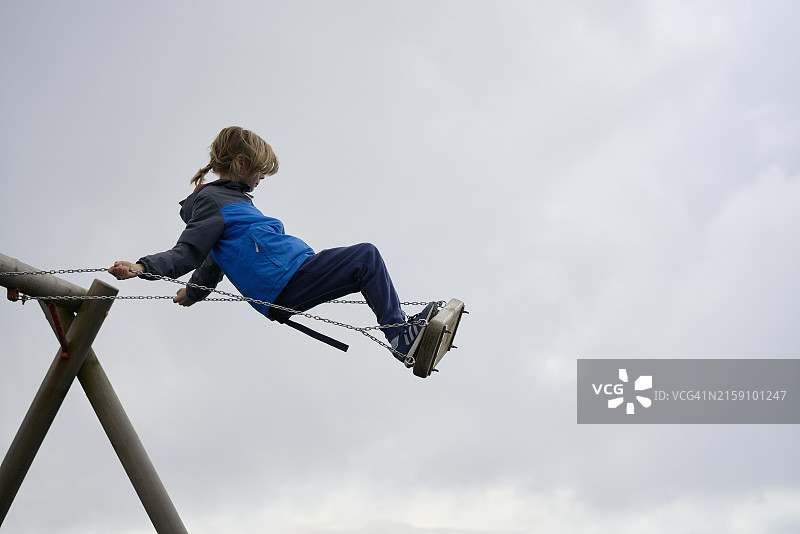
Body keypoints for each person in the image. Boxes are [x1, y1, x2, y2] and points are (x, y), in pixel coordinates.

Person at [109, 126, 436, 367]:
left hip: (289, 276)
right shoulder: (213, 201)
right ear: (240, 163)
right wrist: (142, 268)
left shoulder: (231, 204)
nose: (261, 180)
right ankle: (400, 337)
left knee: (365, 266)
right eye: (259, 173)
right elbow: (189, 252)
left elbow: (214, 261)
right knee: (367, 257)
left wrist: (194, 292)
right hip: (284, 280)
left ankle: (404, 333)